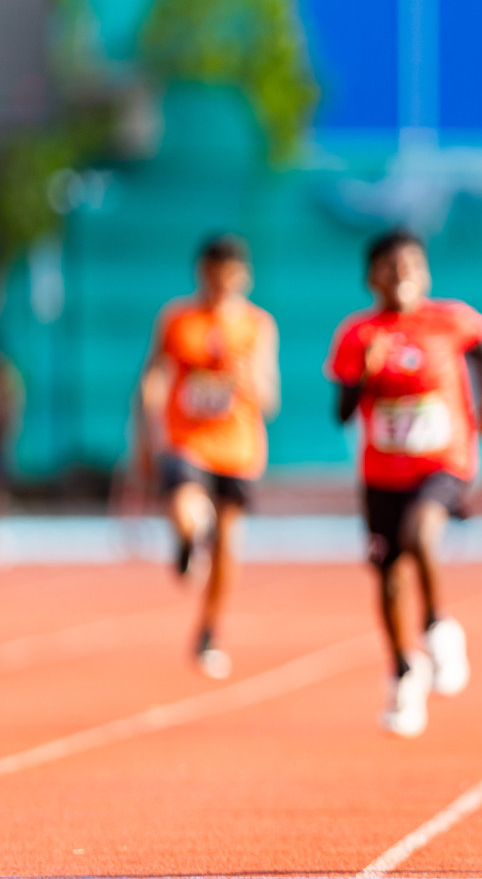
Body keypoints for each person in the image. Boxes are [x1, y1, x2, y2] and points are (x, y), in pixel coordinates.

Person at [327, 229, 482, 738]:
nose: (400, 273)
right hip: (382, 473)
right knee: (387, 576)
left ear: (424, 272)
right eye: (388, 265)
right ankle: (404, 671)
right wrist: (363, 374)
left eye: (410, 264)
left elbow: (479, 347)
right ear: (370, 278)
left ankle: (436, 626)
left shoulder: (449, 318)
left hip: (443, 461)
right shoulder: (357, 334)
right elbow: (341, 413)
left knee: (421, 533)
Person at [138, 236, 280, 679]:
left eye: (230, 275)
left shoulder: (257, 325)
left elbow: (270, 400)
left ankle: (209, 630)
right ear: (201, 272)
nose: (220, 283)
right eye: (213, 273)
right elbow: (154, 374)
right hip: (187, 439)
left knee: (226, 545)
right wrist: (148, 424)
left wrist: (247, 380)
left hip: (237, 448)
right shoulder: (178, 318)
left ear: (244, 277)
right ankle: (187, 538)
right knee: (186, 507)